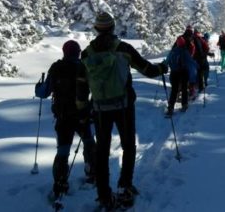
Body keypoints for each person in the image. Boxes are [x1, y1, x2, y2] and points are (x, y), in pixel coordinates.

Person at [77, 12, 168, 211]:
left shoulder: (86, 54)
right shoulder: (123, 49)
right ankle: (124, 187)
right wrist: (162, 68)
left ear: (96, 29)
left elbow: (82, 85)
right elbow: (147, 69)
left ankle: (103, 195)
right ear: (112, 27)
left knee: (101, 151)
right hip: (123, 106)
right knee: (128, 145)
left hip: (100, 108)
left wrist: (82, 109)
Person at [35, 40, 96, 199]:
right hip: (82, 114)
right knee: (89, 143)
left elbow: (43, 92)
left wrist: (38, 86)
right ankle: (92, 172)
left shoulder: (56, 67)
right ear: (78, 52)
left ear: (64, 52)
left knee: (63, 151)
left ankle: (60, 183)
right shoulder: (84, 67)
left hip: (63, 116)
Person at [165, 35, 197, 116]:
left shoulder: (172, 51)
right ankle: (184, 104)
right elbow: (190, 61)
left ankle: (171, 107)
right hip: (183, 72)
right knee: (184, 89)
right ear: (183, 43)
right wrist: (197, 66)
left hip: (174, 73)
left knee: (174, 90)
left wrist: (161, 66)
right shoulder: (184, 51)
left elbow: (167, 61)